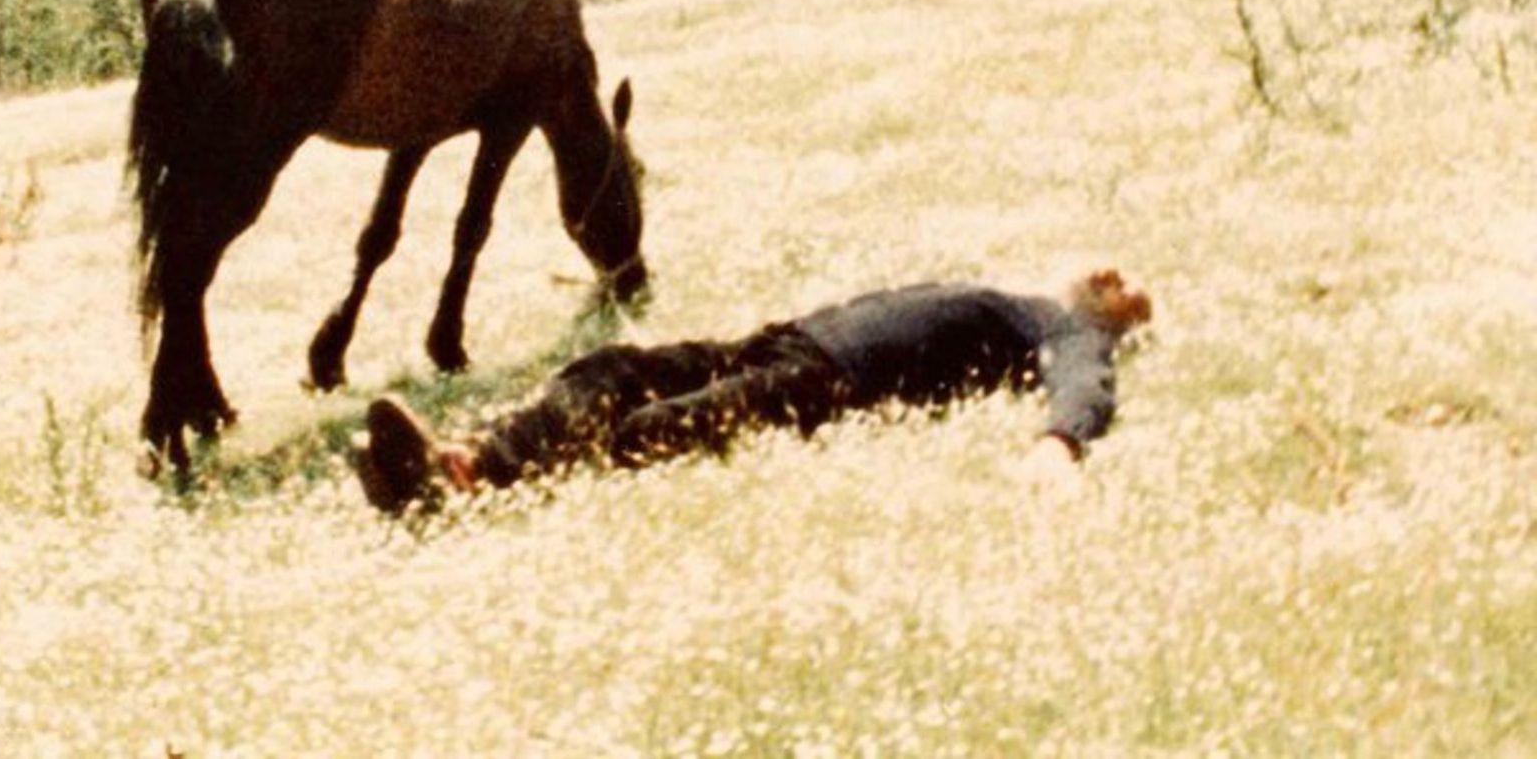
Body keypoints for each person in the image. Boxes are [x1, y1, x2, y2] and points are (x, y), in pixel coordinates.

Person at [355, 269, 1152, 513]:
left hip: (830, 383)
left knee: (653, 426)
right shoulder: (1013, 297)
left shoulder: (1067, 332)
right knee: (607, 369)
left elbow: (1085, 382)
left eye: (1127, 291)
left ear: (1119, 323)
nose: (1113, 279)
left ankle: (472, 492)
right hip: (784, 342)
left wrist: (1061, 441)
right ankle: (466, 461)